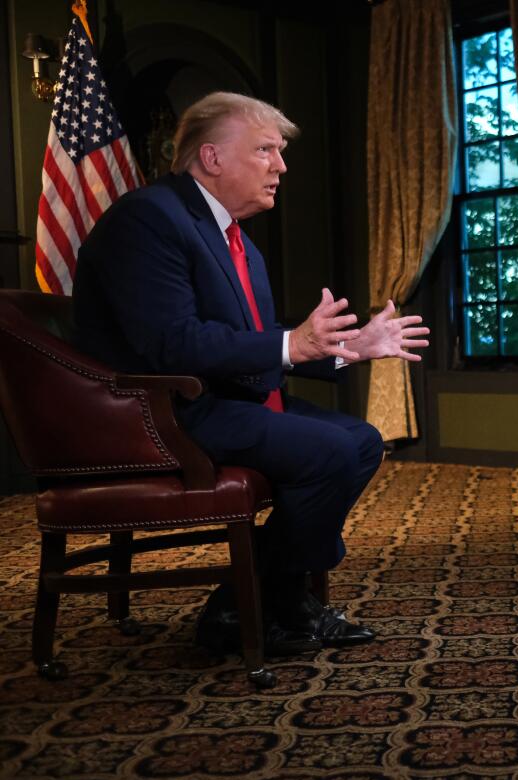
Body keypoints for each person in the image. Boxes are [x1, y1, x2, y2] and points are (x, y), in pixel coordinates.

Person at [72, 92, 430, 656]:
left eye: (280, 152)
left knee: (359, 440)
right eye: (266, 150)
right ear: (212, 158)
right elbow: (172, 343)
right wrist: (296, 342)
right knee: (329, 452)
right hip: (160, 413)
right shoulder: (149, 218)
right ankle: (269, 601)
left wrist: (346, 349)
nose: (281, 166)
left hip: (220, 399)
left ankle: (247, 601)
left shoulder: (240, 244)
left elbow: (254, 346)